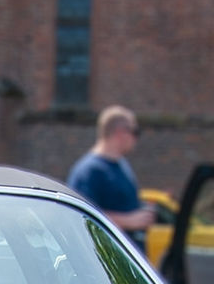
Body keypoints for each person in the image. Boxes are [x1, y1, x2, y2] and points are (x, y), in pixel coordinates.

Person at [66, 106, 154, 249]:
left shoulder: (122, 165)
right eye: (135, 132)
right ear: (120, 132)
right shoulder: (89, 171)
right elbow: (80, 216)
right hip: (105, 261)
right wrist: (129, 221)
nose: (136, 139)